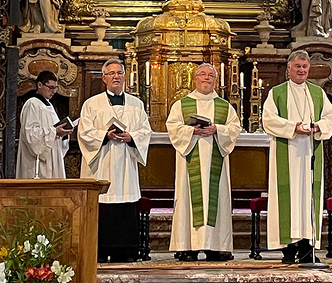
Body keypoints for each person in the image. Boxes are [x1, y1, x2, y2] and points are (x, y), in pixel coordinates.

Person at [262, 50, 332, 263]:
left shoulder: (317, 93)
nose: (302, 70)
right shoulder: (276, 92)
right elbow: (268, 119)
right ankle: (288, 249)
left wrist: (317, 127)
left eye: (305, 67)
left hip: (309, 153)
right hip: (286, 152)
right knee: (287, 198)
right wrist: (291, 127)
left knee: (308, 198)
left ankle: (307, 247)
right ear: (289, 68)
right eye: (297, 66)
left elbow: (330, 118)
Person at [78, 59, 152, 263]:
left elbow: (145, 132)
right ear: (104, 78)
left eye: (119, 73)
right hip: (102, 163)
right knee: (103, 204)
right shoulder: (91, 104)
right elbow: (84, 133)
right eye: (111, 73)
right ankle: (100, 250)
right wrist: (105, 135)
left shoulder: (136, 104)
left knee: (125, 202)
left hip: (126, 165)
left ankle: (126, 251)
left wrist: (131, 137)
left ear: (125, 77)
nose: (116, 76)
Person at [166, 63, 241, 262]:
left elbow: (234, 129)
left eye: (211, 75)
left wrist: (218, 129)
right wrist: (192, 131)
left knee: (217, 200)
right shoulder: (181, 104)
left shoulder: (225, 106)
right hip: (190, 159)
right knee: (188, 199)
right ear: (195, 79)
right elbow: (172, 128)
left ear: (215, 80)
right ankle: (186, 246)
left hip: (216, 159)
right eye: (202, 75)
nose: (206, 78)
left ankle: (217, 246)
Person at [16, 70, 73, 178]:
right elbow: (30, 134)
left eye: (56, 88)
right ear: (40, 85)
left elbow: (53, 130)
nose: (54, 91)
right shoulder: (32, 104)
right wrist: (54, 132)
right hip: (37, 163)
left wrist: (63, 135)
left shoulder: (49, 106)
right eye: (51, 87)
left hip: (52, 158)